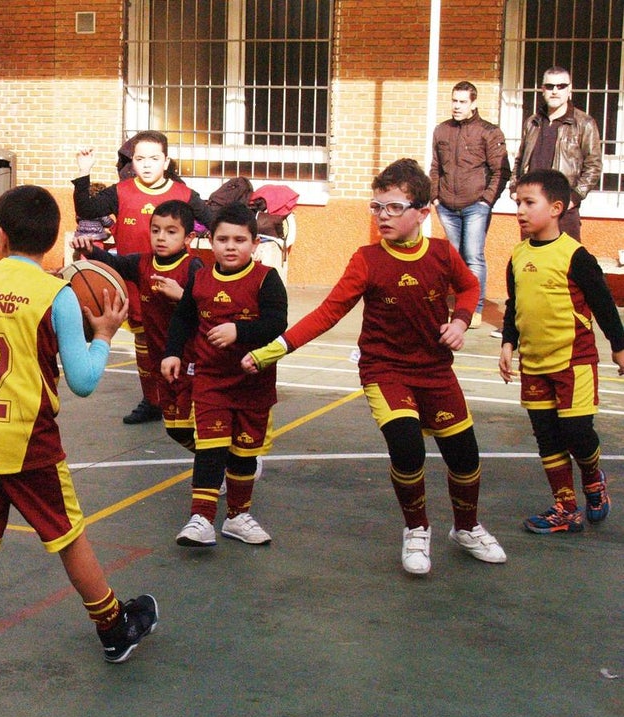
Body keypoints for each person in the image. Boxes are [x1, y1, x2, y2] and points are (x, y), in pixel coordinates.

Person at [0, 185, 157, 694]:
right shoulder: (59, 295)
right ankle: (114, 629)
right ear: (52, 244)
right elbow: (85, 381)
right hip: (28, 441)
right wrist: (105, 335)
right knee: (68, 536)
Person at [243, 159, 507, 575]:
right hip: (386, 371)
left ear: (422, 213)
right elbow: (327, 313)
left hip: (436, 371)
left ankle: (466, 527)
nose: (382, 215)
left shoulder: (440, 253)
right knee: (407, 447)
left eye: (393, 207)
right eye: (376, 206)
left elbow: (470, 285)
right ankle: (417, 529)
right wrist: (272, 349)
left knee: (464, 455)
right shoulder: (366, 260)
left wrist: (460, 320)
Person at [497, 169, 624, 533]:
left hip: (574, 362)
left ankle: (593, 479)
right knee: (547, 438)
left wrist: (619, 347)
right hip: (534, 364)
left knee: (577, 433)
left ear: (556, 208)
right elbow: (514, 305)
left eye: (528, 202)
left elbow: (603, 304)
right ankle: (566, 509)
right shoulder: (518, 256)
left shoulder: (576, 256)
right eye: (516, 202)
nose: (519, 210)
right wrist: (509, 343)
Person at [159, 203, 287, 547]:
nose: (231, 246)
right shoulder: (200, 279)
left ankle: (237, 517)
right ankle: (200, 519)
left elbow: (277, 323)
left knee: (244, 455)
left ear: (255, 243)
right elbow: (183, 319)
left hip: (253, 384)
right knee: (210, 449)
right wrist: (172, 352)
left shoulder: (266, 279)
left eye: (240, 240)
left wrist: (239, 330)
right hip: (211, 381)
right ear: (210, 242)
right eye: (223, 239)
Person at [73, 131, 213, 424]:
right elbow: (87, 209)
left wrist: (246, 240)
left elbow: (213, 220)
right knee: (145, 346)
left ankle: (189, 398)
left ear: (166, 161)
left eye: (153, 158)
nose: (146, 165)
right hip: (137, 277)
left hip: (177, 280)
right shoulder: (121, 191)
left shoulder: (183, 194)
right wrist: (84, 173)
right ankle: (153, 400)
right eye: (139, 159)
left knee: (182, 342)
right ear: (132, 162)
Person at [71, 199, 204, 451]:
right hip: (161, 361)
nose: (161, 237)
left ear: (189, 238)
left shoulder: (193, 267)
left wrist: (183, 296)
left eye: (171, 231)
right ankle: (223, 461)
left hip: (191, 361)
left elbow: (210, 310)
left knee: (199, 425)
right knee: (176, 429)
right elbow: (114, 263)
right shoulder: (142, 263)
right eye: (156, 230)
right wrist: (90, 249)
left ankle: (222, 466)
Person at [429, 81, 512, 329]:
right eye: (454, 100)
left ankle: (473, 308)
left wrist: (487, 201)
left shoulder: (489, 132)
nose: (457, 106)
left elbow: (501, 171)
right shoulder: (441, 130)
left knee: (473, 256)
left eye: (462, 101)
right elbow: (435, 168)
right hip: (446, 205)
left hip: (476, 205)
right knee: (451, 257)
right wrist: (435, 197)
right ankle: (447, 305)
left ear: (474, 103)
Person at [511, 66, 602, 241]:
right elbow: (520, 160)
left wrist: (573, 198)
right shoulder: (532, 122)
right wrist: (515, 189)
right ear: (543, 89)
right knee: (531, 262)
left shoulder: (584, 123)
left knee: (565, 264)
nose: (555, 91)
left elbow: (593, 166)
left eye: (561, 86)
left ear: (569, 90)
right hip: (532, 208)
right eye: (550, 86)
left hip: (563, 210)